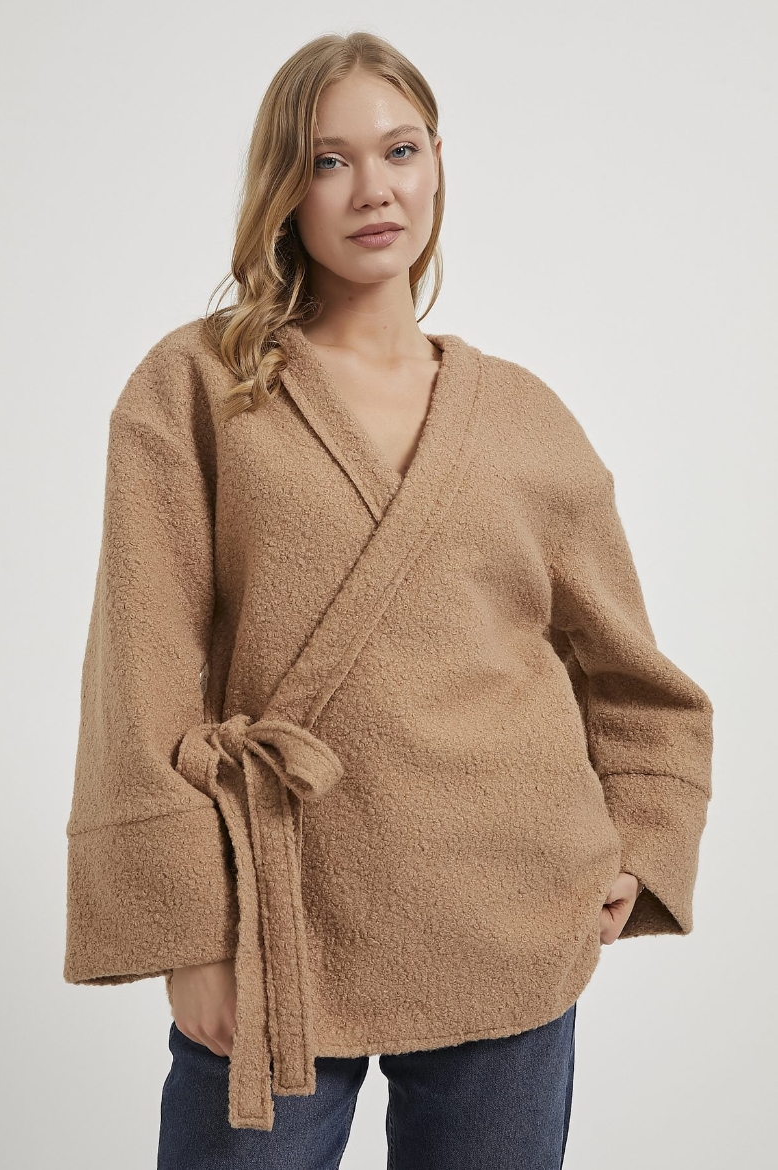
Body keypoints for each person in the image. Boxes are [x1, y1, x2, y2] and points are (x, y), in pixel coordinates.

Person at [62, 30, 714, 1170]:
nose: (374, 188)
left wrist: (640, 842)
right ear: (285, 185)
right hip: (277, 922)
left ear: (438, 164)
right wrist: (191, 929)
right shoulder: (199, 385)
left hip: (509, 913)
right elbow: (141, 666)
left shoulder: (523, 417)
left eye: (400, 150)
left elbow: (631, 677)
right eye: (330, 161)